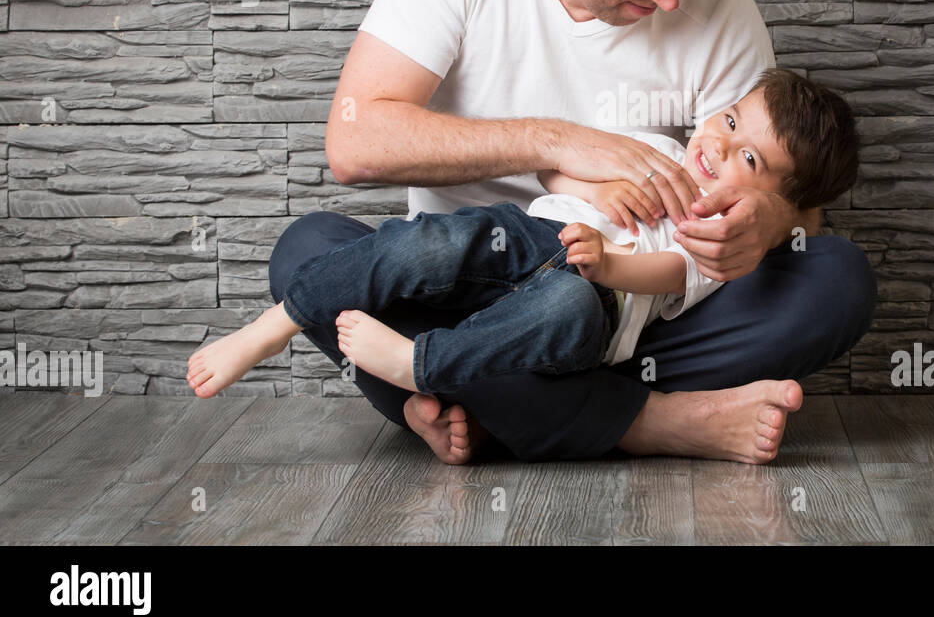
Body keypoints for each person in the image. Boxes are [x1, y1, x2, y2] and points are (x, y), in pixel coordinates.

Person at [261, 0, 878, 465]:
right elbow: (356, 142)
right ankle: (650, 423)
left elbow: (794, 188)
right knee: (308, 251)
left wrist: (763, 221)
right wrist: (556, 142)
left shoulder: (719, 4)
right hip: (466, 296)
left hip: (626, 326)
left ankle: (492, 408)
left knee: (836, 279)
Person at [186, 69, 859, 403]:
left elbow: (673, 278)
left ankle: (418, 368)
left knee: (557, 313)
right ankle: (277, 322)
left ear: (778, 199)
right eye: (732, 120)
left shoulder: (725, 236)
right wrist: (597, 191)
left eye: (749, 160)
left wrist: (609, 269)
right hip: (525, 238)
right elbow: (558, 171)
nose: (721, 143)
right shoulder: (657, 148)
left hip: (593, 305)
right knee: (432, 243)